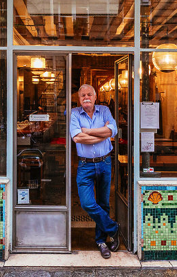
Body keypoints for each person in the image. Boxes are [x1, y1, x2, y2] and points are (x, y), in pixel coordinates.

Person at [70, 84, 120, 259]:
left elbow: (112, 130)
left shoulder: (105, 110)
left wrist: (89, 132)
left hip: (105, 162)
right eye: (82, 95)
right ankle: (113, 228)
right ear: (79, 99)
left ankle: (101, 241)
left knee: (103, 203)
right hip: (85, 165)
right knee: (87, 203)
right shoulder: (74, 113)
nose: (86, 97)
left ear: (95, 96)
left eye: (89, 94)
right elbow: (77, 137)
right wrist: (102, 134)